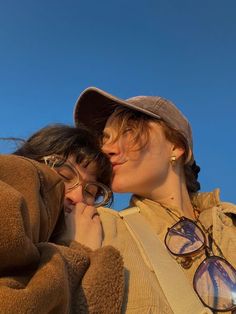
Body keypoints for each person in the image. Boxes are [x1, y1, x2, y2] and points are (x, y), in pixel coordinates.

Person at [73, 87, 236, 314]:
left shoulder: (230, 224)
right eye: (105, 138)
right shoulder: (101, 230)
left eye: (129, 130)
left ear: (176, 146)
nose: (106, 148)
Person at [0, 124, 124, 313]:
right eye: (64, 176)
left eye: (90, 192)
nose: (77, 198)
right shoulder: (17, 178)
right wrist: (76, 252)